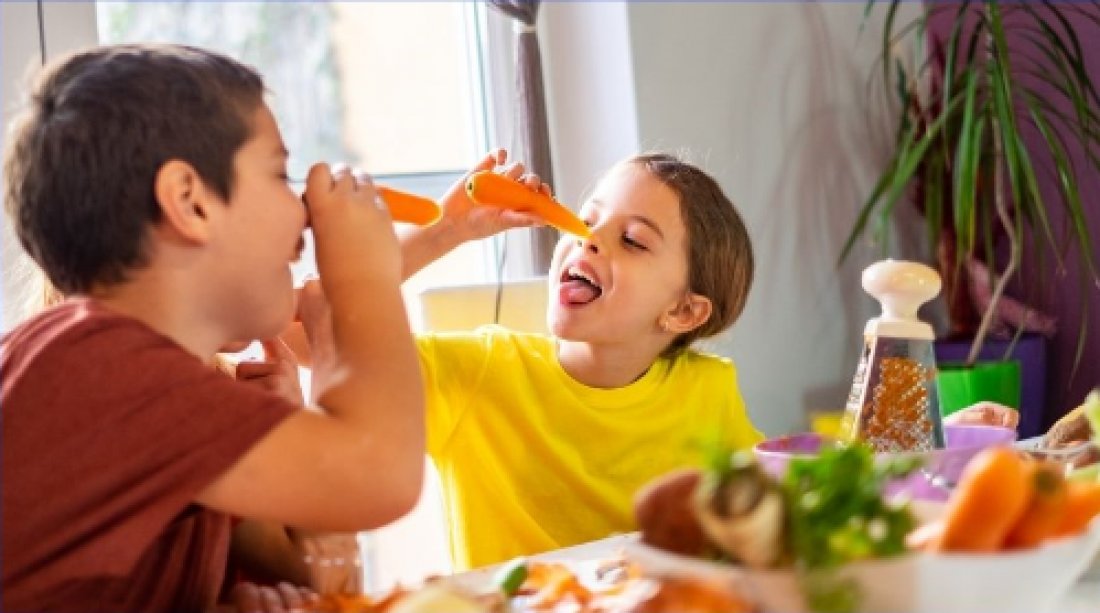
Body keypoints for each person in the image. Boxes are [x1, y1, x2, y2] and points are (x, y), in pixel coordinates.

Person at [1, 43, 424, 612]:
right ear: (190, 202)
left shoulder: (132, 381)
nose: (303, 211)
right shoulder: (100, 370)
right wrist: (364, 279)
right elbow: (379, 476)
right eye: (278, 173)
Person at [395, 152, 762, 569]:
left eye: (633, 240)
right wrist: (443, 229)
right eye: (586, 220)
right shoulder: (480, 374)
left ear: (681, 313)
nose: (587, 237)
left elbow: (767, 523)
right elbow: (309, 329)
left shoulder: (708, 390)